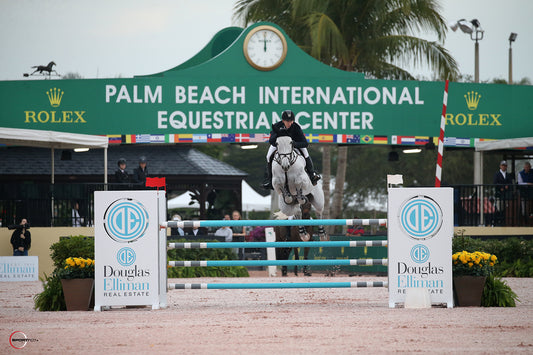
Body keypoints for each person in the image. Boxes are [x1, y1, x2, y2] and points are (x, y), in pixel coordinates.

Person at [262, 109, 320, 190]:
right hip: (280, 145)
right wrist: (278, 134)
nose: (290, 123)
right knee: (268, 156)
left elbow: (305, 143)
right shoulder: (277, 126)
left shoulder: (296, 127)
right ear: (283, 121)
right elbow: (271, 141)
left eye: (291, 121)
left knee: (305, 153)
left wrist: (295, 144)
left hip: (294, 144)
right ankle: (270, 180)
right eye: (288, 121)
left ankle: (312, 175)